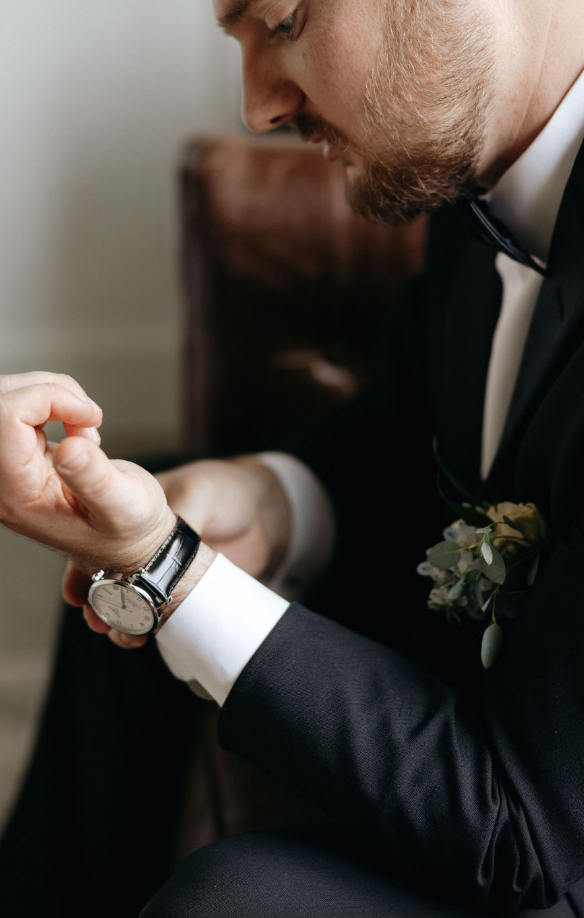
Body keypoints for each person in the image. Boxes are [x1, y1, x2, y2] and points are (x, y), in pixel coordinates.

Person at [2, 0, 584, 915]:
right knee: (130, 582)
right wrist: (271, 500)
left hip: (549, 837)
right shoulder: (475, 166)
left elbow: (531, 838)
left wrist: (170, 570)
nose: (257, 107)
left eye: (282, 22)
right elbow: (405, 437)